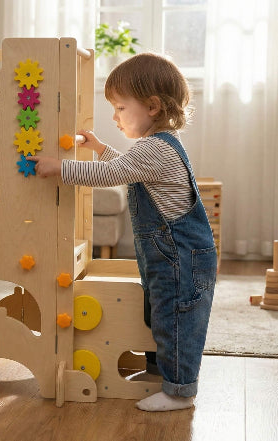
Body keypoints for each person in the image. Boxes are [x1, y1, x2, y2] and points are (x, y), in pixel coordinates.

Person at [29, 52, 217, 412]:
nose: (114, 117)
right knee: (159, 314)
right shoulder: (155, 146)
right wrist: (99, 147)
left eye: (119, 108)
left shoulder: (155, 149)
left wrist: (60, 168)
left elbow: (110, 175)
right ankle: (159, 373)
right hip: (171, 256)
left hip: (179, 258)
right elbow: (123, 165)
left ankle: (180, 391)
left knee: (176, 320)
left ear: (151, 106)